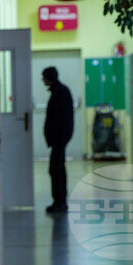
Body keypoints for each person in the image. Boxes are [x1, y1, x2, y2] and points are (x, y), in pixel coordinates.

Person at [42, 66, 75, 214]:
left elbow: (62, 119)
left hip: (59, 139)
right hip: (59, 139)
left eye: (44, 77)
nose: (42, 80)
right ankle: (59, 200)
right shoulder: (59, 91)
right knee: (56, 169)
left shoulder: (60, 93)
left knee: (56, 169)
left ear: (49, 78)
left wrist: (58, 138)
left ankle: (60, 201)